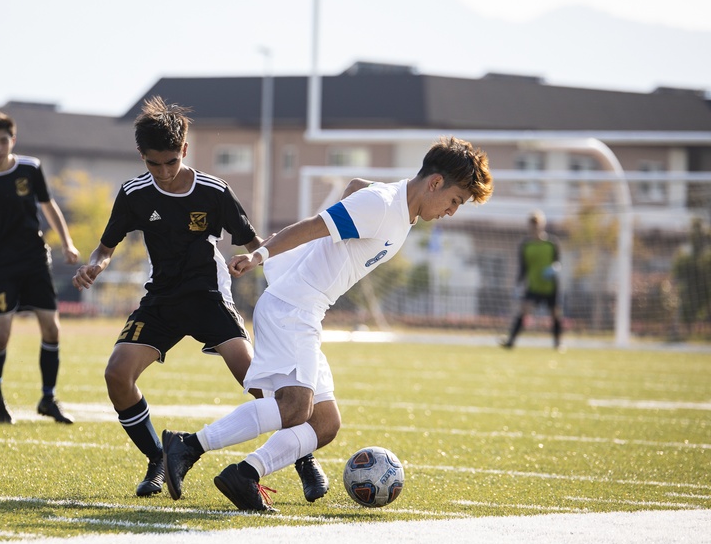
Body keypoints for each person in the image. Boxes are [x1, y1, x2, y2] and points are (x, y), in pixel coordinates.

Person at [161, 136, 494, 511]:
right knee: (293, 409)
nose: (452, 211)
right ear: (435, 183)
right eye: (455, 201)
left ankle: (245, 475)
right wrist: (259, 254)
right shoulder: (382, 206)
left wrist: (353, 197)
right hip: (292, 307)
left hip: (307, 312)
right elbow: (311, 227)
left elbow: (354, 189)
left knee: (325, 424)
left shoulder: (397, 206)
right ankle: (187, 445)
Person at [72, 96, 329, 500]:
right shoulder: (134, 194)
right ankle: (159, 458)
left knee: (263, 388)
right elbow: (105, 247)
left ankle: (302, 459)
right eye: (153, 164)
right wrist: (95, 265)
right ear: (141, 157)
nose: (163, 172)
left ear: (185, 150)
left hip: (210, 298)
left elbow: (254, 243)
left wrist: (255, 260)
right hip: (162, 301)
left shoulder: (213, 191)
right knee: (117, 375)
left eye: (171, 162)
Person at [0, 111, 80, 424]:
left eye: (3, 140)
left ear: (13, 140)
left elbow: (48, 206)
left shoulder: (30, 168)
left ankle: (48, 398)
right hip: (1, 265)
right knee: (2, 333)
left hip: (35, 260)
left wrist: (67, 242)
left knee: (52, 329)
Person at [499, 209, 563, 350]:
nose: (535, 227)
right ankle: (510, 341)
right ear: (529, 226)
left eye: (537, 224)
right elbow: (523, 268)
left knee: (555, 315)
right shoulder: (526, 245)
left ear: (542, 225)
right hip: (533, 286)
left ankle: (558, 344)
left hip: (550, 287)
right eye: (532, 224)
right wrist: (518, 285)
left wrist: (554, 268)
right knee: (523, 312)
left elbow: (558, 263)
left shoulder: (552, 243)